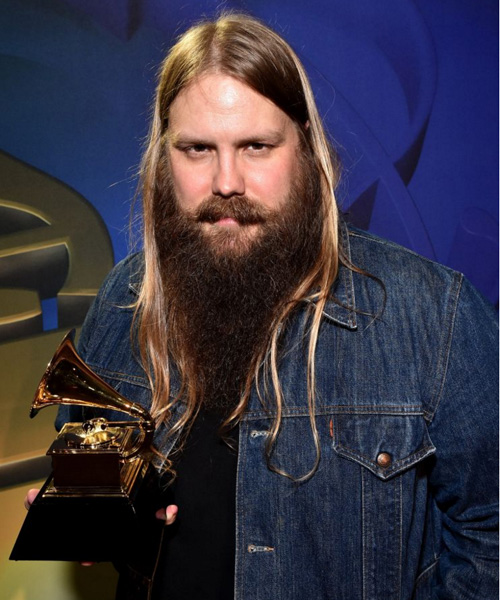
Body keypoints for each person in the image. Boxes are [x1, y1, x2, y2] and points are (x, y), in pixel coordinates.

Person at [26, 13, 498, 600]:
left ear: (305, 148)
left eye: (256, 146)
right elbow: (88, 459)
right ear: (162, 157)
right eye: (197, 148)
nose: (227, 180)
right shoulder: (122, 302)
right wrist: (92, 515)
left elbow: (491, 529)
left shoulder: (435, 316)